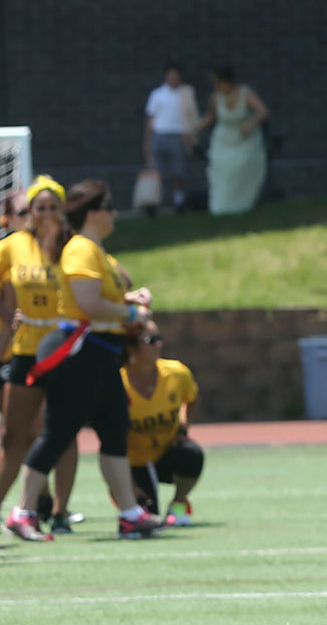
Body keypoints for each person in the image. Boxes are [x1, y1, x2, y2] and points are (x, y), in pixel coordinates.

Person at [4, 179, 164, 541]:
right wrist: (133, 315)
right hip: (79, 350)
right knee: (59, 431)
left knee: (113, 428)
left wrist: (132, 298)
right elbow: (89, 303)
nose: (115, 214)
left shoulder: (94, 249)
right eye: (109, 207)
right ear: (93, 213)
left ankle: (129, 514)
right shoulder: (80, 249)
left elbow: (108, 292)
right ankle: (23, 511)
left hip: (100, 352)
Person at [0, 175, 79, 533]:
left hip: (64, 351)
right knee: (14, 435)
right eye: (39, 207)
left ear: (62, 211)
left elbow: (109, 277)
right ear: (29, 212)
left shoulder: (73, 246)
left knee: (62, 432)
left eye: (53, 207)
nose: (46, 213)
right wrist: (7, 314)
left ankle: (60, 512)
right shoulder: (15, 245)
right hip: (27, 351)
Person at [122, 320, 203, 524]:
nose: (158, 345)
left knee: (191, 455)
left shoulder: (176, 372)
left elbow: (191, 399)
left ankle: (178, 502)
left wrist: (182, 430)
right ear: (131, 346)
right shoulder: (118, 382)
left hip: (166, 453)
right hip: (135, 462)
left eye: (159, 339)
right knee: (149, 515)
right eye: (150, 340)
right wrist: (127, 485)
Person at [196, 66, 269, 216]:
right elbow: (210, 117)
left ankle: (243, 203)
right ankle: (222, 206)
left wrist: (250, 123)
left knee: (242, 163)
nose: (216, 86)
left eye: (218, 82)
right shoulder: (215, 97)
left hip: (245, 140)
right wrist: (195, 129)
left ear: (227, 82)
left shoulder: (246, 94)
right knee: (222, 167)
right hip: (223, 140)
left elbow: (263, 112)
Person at [144, 62, 199, 213]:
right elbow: (150, 119)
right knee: (156, 172)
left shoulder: (185, 94)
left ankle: (179, 201)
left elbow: (191, 116)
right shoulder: (157, 94)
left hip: (178, 136)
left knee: (178, 171)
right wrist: (147, 143)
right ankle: (153, 202)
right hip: (159, 135)